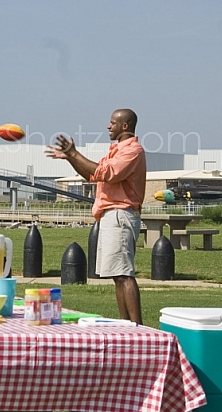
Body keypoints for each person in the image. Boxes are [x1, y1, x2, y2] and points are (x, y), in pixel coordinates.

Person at [45, 109, 146, 325]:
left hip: (120, 214)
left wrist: (74, 153)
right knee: (117, 275)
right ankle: (126, 325)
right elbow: (92, 174)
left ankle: (138, 328)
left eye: (112, 123)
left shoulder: (133, 151)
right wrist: (71, 158)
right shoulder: (117, 150)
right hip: (112, 215)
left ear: (125, 126)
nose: (108, 126)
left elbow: (107, 173)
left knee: (124, 273)